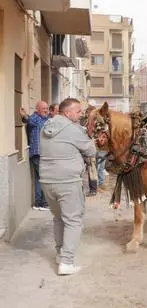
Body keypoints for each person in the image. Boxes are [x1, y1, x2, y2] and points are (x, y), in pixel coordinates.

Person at [39, 98, 97, 275]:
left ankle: (59, 254)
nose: (81, 114)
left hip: (47, 181)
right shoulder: (73, 129)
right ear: (67, 112)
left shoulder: (46, 127)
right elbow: (91, 151)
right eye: (78, 111)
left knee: (59, 218)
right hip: (68, 182)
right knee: (73, 221)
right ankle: (67, 262)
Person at [19, 101, 50, 210]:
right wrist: (25, 115)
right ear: (37, 109)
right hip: (37, 153)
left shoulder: (44, 118)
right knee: (44, 177)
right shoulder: (36, 118)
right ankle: (43, 203)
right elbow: (30, 120)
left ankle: (38, 203)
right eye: (44, 108)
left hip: (42, 154)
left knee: (39, 178)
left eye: (47, 108)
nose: (46, 110)